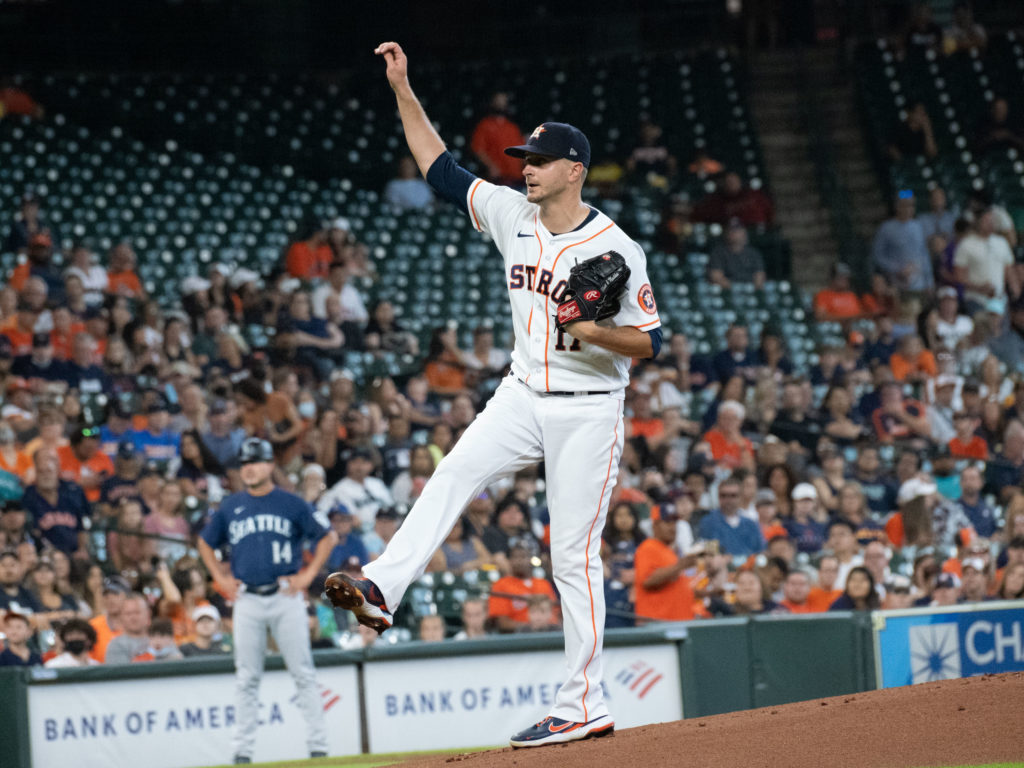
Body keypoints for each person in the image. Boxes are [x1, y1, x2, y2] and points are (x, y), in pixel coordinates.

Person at [326, 41, 662, 750]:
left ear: (574, 169)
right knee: (451, 473)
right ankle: (382, 589)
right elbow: (440, 167)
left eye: (538, 162)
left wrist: (594, 329)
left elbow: (647, 344)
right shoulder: (511, 213)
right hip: (520, 392)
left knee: (572, 555)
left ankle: (583, 705)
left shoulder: (618, 247)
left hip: (587, 407)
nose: (526, 170)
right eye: (523, 162)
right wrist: (402, 88)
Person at [198, 438, 337, 764]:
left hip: (285, 595)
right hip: (247, 598)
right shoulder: (231, 506)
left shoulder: (291, 503)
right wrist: (219, 577)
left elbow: (328, 536)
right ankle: (242, 752)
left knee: (303, 671)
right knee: (247, 677)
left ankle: (319, 747)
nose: (248, 468)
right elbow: (205, 543)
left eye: (255, 462)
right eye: (244, 463)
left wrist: (308, 575)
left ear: (270, 465)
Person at [633, 504, 702, 622]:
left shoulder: (668, 551)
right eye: (667, 522)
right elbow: (648, 580)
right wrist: (681, 565)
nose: (672, 527)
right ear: (655, 525)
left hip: (675, 622)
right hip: (657, 625)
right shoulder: (647, 547)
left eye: (674, 522)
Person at [872, 190, 934, 296]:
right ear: (897, 206)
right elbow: (878, 256)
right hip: (896, 284)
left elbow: (924, 255)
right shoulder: (886, 228)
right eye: (904, 205)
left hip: (918, 284)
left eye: (911, 205)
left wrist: (929, 282)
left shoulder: (918, 226)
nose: (908, 209)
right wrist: (897, 269)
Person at [469, 92, 525, 186]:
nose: (501, 104)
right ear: (492, 103)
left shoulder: (512, 127)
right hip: (497, 179)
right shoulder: (485, 125)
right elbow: (478, 149)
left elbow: (522, 151)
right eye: (498, 101)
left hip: (516, 178)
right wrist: (491, 167)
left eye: (503, 101)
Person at [707, 219, 765, 290]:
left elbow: (760, 276)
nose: (734, 233)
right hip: (727, 293)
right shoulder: (718, 253)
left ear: (744, 232)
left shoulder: (753, 253)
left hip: (750, 291)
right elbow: (716, 277)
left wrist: (751, 288)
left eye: (737, 230)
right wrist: (737, 289)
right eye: (731, 230)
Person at [103, 593, 152, 665]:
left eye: (137, 612)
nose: (133, 618)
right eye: (128, 614)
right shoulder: (116, 645)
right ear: (121, 617)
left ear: (148, 614)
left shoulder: (161, 639)